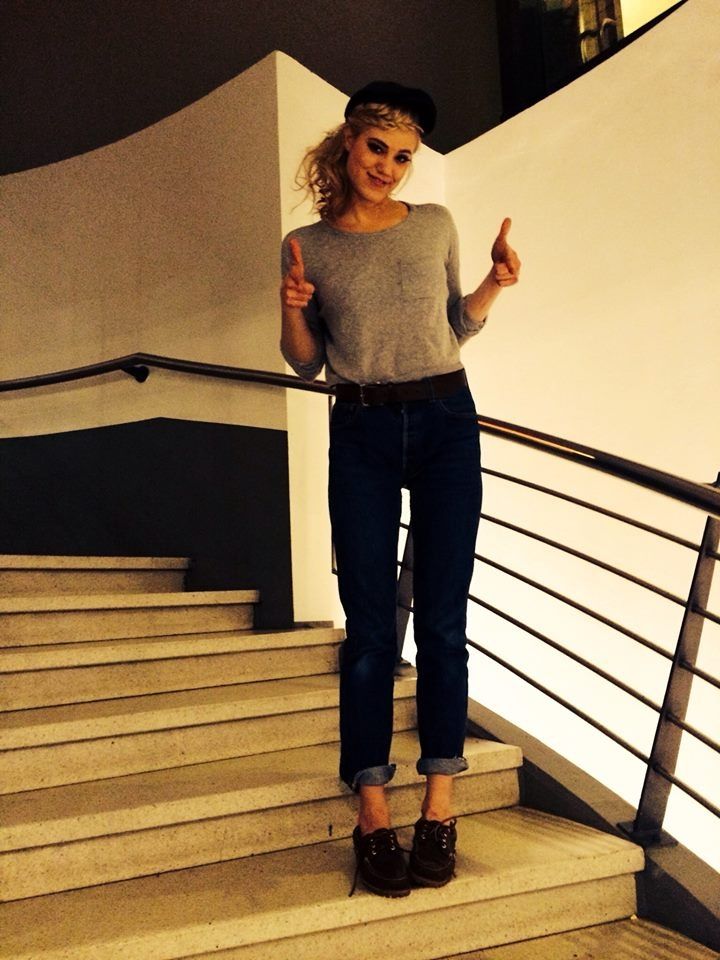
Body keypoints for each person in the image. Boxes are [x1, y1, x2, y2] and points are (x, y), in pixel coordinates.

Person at [280, 81, 520, 898]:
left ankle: (440, 807)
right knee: (371, 631)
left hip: (448, 420)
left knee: (445, 621)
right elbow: (305, 361)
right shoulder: (306, 245)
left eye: (403, 156)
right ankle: (373, 813)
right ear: (349, 144)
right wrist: (292, 306)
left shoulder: (436, 225)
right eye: (377, 147)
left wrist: (494, 284)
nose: (387, 166)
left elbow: (454, 326)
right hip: (362, 430)